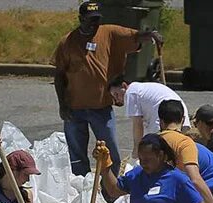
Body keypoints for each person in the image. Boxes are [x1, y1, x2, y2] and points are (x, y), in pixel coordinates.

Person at [53, 1, 162, 179]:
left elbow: (135, 36)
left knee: (111, 153)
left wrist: (151, 35)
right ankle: (83, 190)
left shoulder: (109, 33)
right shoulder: (67, 42)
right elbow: (59, 76)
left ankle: (110, 192)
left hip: (101, 108)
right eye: (90, 20)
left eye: (96, 20)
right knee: (77, 155)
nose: (94, 24)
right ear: (81, 19)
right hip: (74, 108)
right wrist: (62, 105)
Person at [108, 74, 189, 156]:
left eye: (116, 94)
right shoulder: (140, 89)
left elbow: (137, 124)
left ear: (124, 86)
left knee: (155, 153)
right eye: (114, 97)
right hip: (180, 116)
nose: (117, 99)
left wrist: (136, 149)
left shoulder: (131, 92)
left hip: (165, 118)